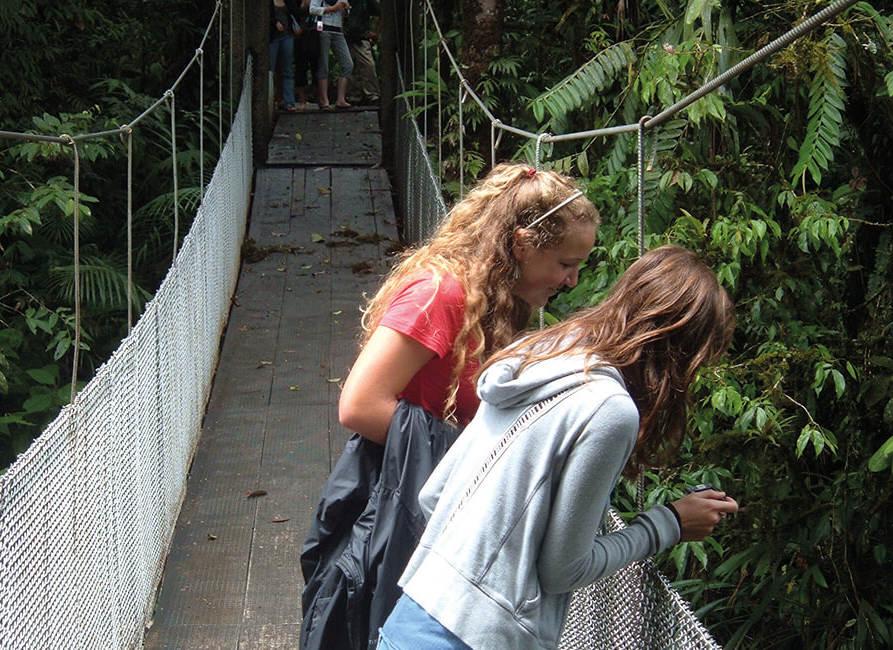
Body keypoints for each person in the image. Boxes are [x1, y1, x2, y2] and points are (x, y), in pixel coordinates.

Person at [376, 245, 740, 650]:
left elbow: (435, 494)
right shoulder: (609, 409)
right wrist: (668, 524)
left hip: (411, 615)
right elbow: (562, 570)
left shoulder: (537, 355)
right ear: (678, 352)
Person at [300, 162, 601, 649]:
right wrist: (469, 460)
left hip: (430, 506)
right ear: (522, 245)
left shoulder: (499, 303)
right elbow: (358, 405)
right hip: (392, 500)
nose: (572, 280)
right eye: (566, 263)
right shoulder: (441, 295)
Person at [309, 0, 354, 109]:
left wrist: (346, 9)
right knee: (323, 64)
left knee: (348, 64)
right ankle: (324, 100)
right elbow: (312, 9)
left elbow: (345, 14)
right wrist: (332, 8)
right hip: (323, 28)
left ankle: (341, 99)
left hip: (338, 30)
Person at [342, 0, 380, 105]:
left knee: (368, 66)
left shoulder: (366, 2)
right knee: (349, 67)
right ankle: (353, 96)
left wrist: (375, 33)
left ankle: (372, 95)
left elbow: (381, 14)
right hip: (347, 38)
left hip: (362, 38)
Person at [268, 0, 297, 111]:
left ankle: (289, 102)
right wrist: (274, 22)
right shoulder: (269, 3)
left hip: (287, 36)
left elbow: (295, 12)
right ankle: (270, 101)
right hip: (273, 38)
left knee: (287, 70)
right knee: (271, 69)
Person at [292, 0, 318, 110]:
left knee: (317, 66)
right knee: (300, 68)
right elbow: (291, 13)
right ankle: (302, 101)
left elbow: (321, 15)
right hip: (299, 36)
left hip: (314, 34)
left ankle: (318, 97)